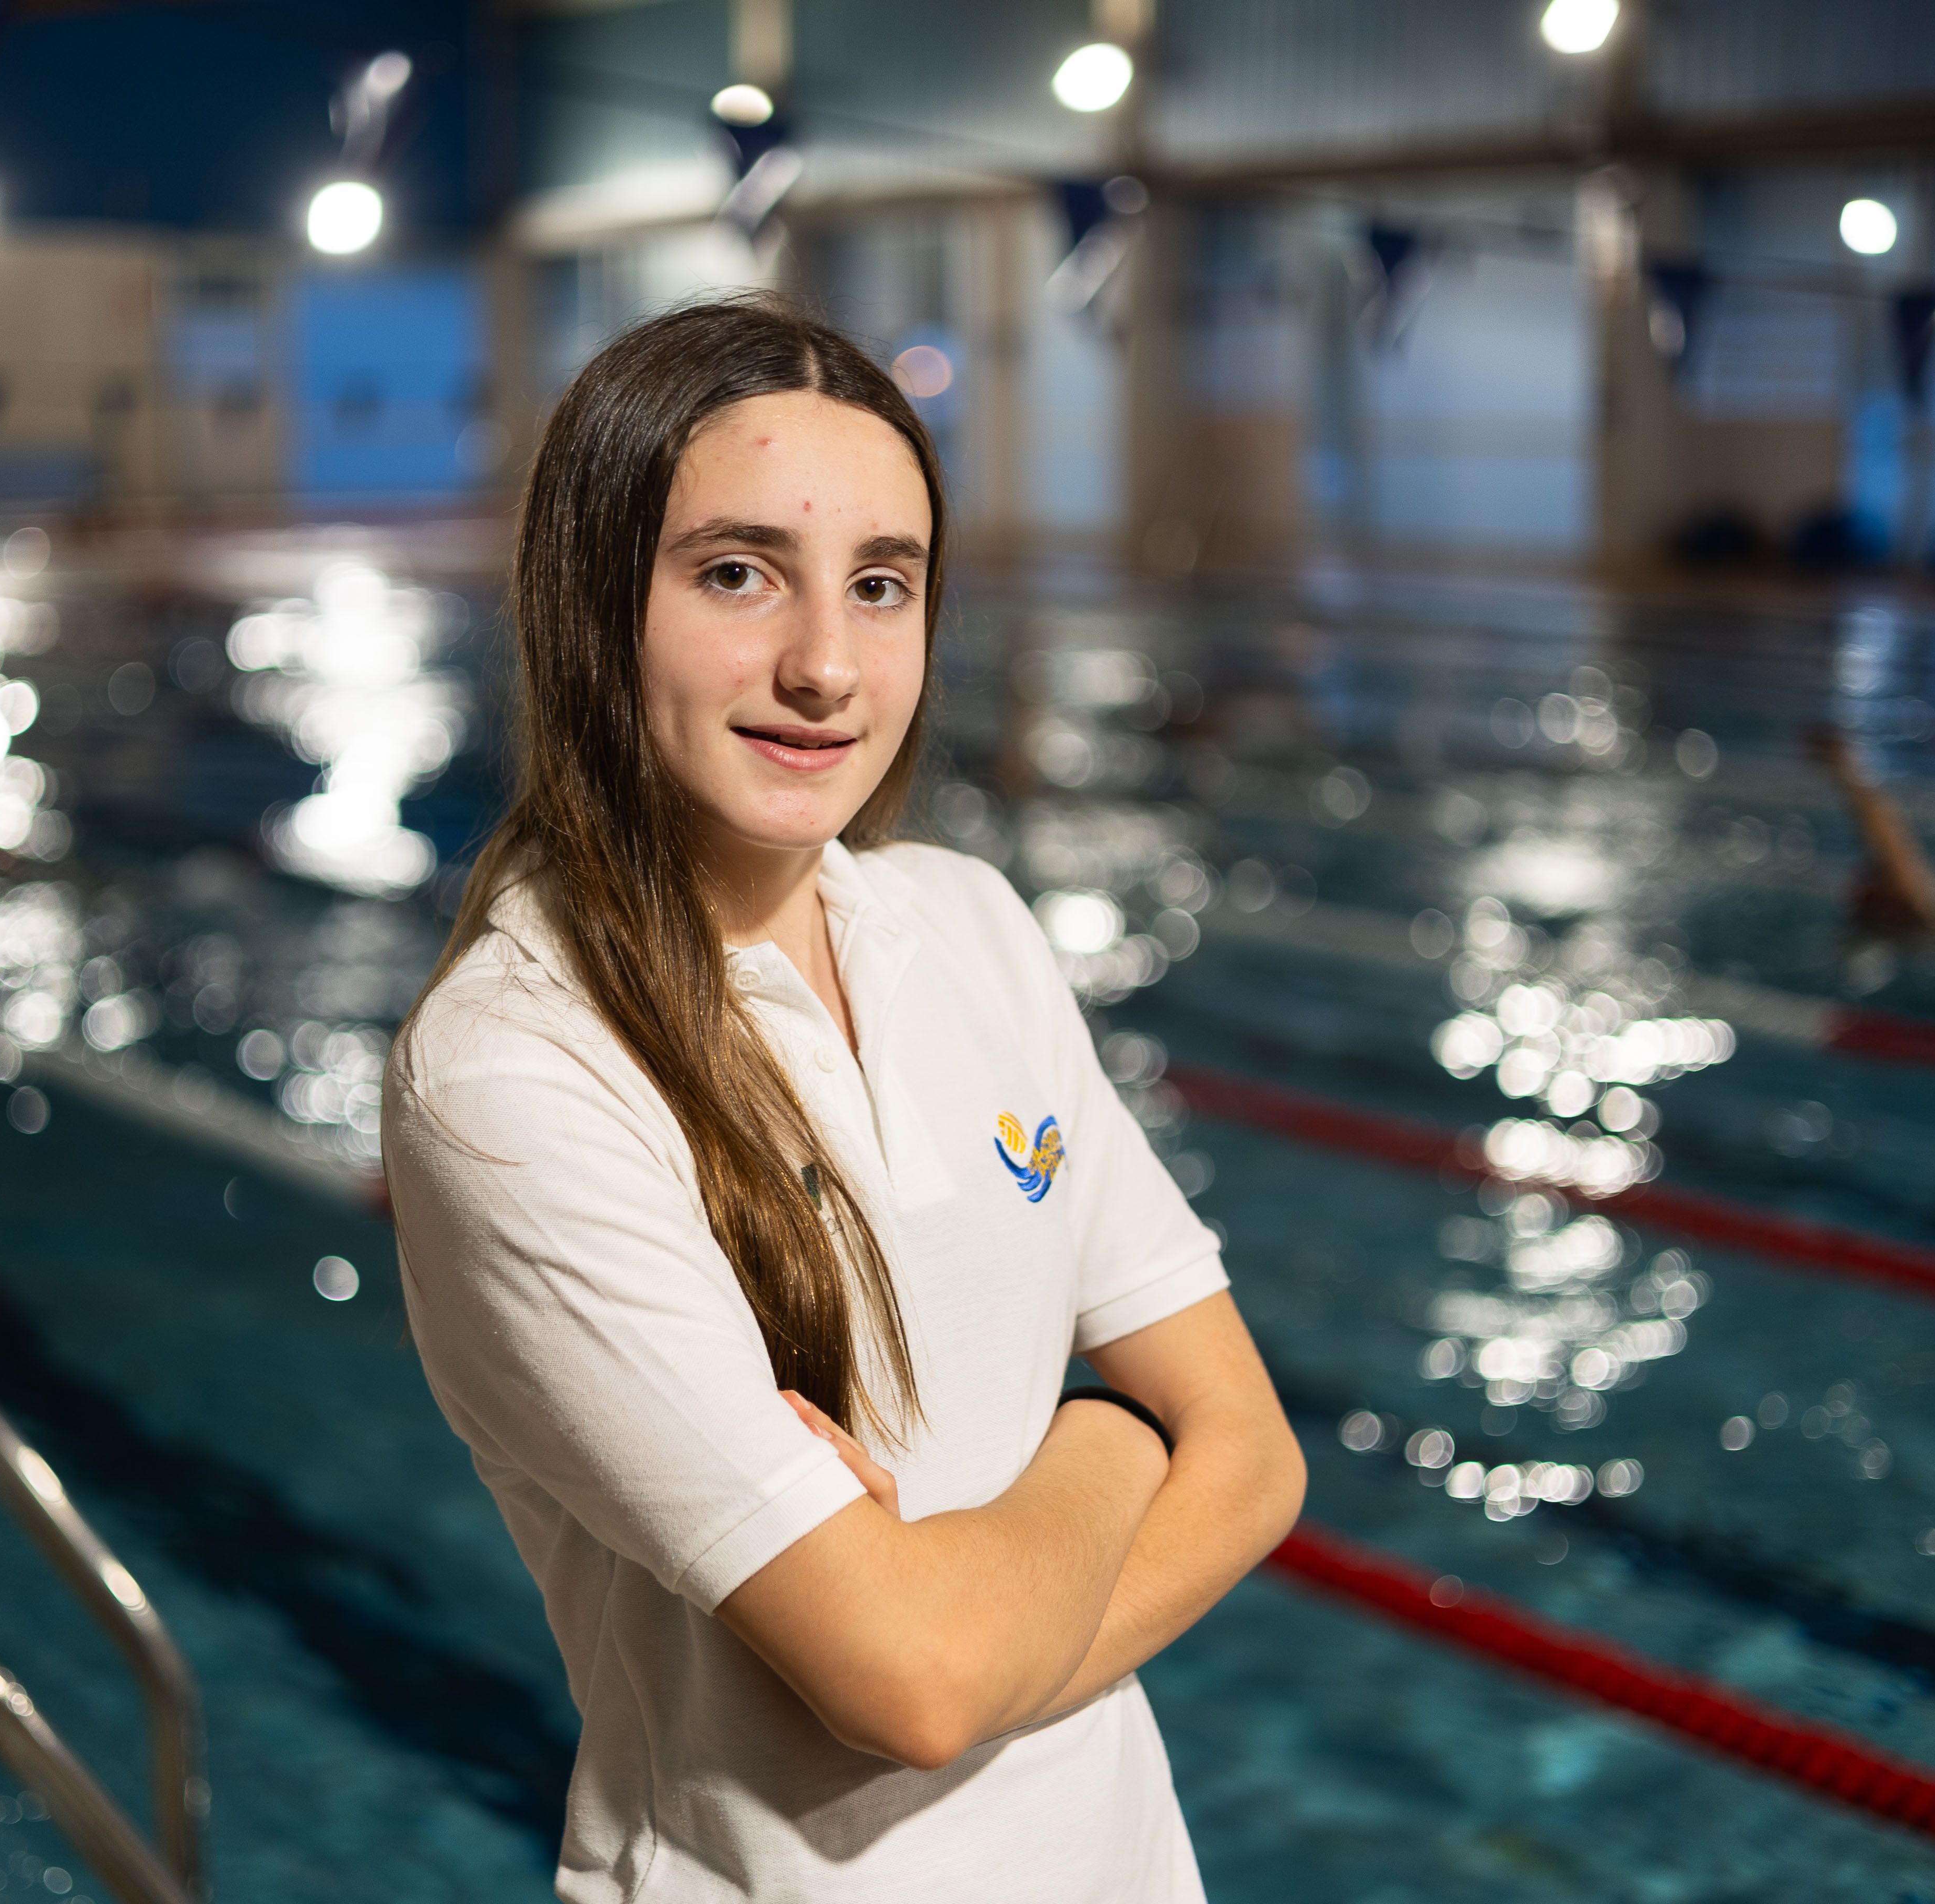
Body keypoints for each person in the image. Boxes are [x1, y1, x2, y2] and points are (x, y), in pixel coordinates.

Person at [383, 296, 1306, 1903]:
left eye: (882, 585)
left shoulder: (969, 927)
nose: (824, 665)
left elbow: (1255, 1451)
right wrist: (1105, 1435)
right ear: (595, 607)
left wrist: (963, 1579)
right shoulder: (518, 1074)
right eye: (737, 574)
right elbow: (915, 1686)